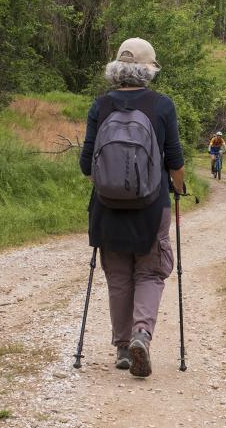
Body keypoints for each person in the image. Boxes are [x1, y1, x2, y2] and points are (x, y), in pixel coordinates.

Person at [79, 37, 185, 378]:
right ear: (147, 71)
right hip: (152, 206)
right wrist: (179, 190)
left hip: (107, 208)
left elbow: (86, 165)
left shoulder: (101, 105)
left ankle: (123, 348)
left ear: (118, 70)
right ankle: (142, 335)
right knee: (151, 271)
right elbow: (175, 162)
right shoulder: (162, 105)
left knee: (119, 276)